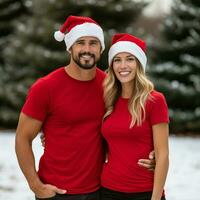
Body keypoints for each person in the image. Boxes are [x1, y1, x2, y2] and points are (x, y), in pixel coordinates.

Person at [15, 15, 155, 200]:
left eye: (93, 43)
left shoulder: (110, 86)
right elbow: (22, 138)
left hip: (100, 190)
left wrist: (153, 154)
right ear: (70, 47)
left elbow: (130, 125)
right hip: (56, 192)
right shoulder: (46, 87)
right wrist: (36, 186)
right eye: (81, 42)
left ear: (101, 49)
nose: (87, 49)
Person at [100, 33, 169, 200]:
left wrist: (156, 198)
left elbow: (163, 155)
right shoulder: (107, 99)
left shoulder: (154, 100)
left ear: (139, 63)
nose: (123, 65)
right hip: (108, 190)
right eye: (117, 60)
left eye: (129, 59)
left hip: (144, 191)